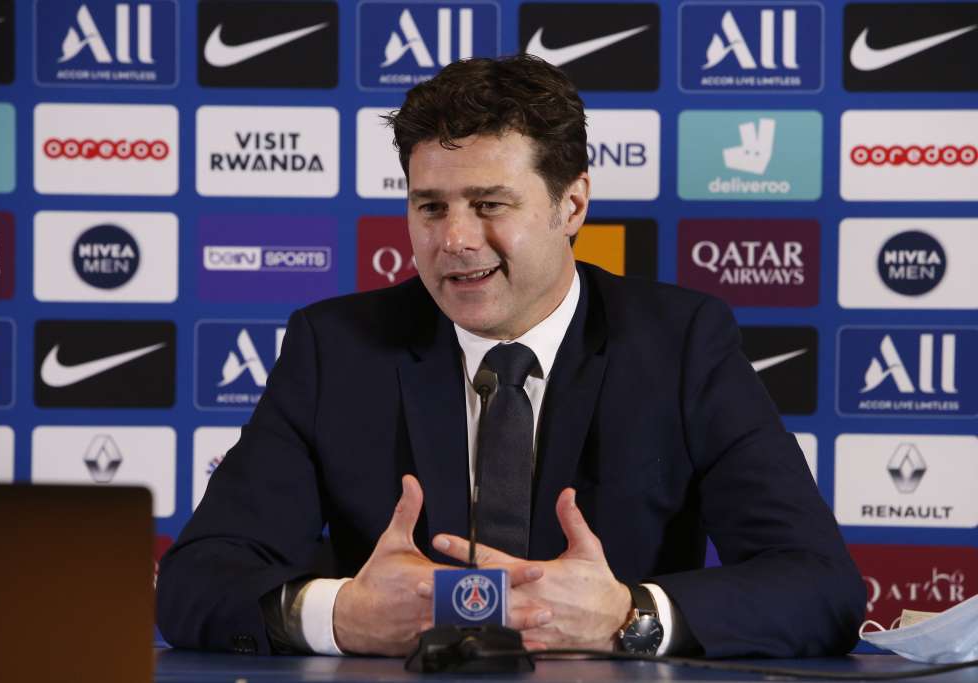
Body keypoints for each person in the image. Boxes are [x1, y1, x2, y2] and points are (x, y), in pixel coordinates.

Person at [157, 54, 865, 658]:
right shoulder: (335, 347)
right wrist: (340, 613)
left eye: (490, 204)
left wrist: (628, 616)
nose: (455, 240)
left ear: (573, 205)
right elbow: (195, 581)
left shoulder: (682, 343)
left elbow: (819, 584)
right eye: (430, 207)